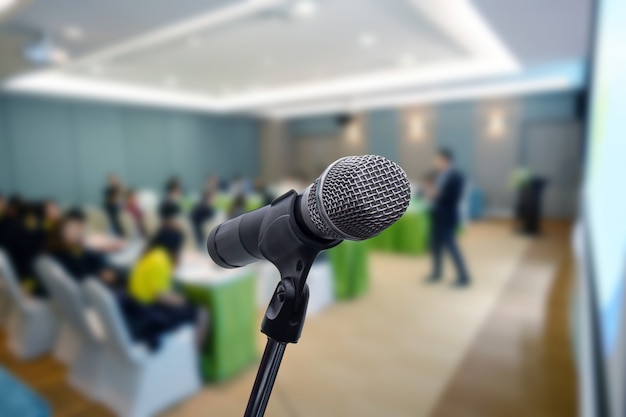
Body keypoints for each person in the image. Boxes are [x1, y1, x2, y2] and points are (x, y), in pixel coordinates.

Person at [126, 203, 206, 348]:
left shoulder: (151, 253)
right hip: (148, 313)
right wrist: (181, 301)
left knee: (184, 302)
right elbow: (160, 296)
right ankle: (194, 354)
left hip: (137, 307)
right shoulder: (160, 260)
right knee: (201, 313)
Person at [422, 148, 471, 287]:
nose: (436, 162)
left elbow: (454, 197)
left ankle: (464, 276)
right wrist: (428, 191)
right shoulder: (437, 175)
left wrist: (437, 194)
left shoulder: (457, 176)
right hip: (435, 215)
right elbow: (428, 191)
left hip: (448, 216)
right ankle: (436, 273)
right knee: (435, 246)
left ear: (445, 160)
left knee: (451, 247)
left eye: (438, 160)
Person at [48, 208, 121, 287]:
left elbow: (94, 258)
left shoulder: (76, 249)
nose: (79, 233)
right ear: (62, 229)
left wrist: (105, 269)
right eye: (75, 228)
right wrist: (99, 273)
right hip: (92, 287)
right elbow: (80, 275)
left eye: (81, 228)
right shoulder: (59, 255)